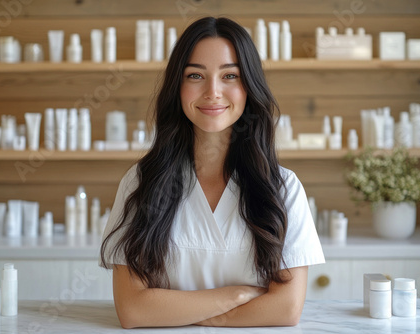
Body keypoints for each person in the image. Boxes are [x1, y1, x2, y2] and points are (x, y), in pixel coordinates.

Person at [99, 16, 325, 329]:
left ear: (249, 87)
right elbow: (133, 311)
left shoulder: (283, 188)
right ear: (177, 88)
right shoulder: (140, 182)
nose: (213, 92)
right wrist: (233, 297)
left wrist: (176, 311)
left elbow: (285, 310)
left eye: (230, 75)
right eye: (195, 75)